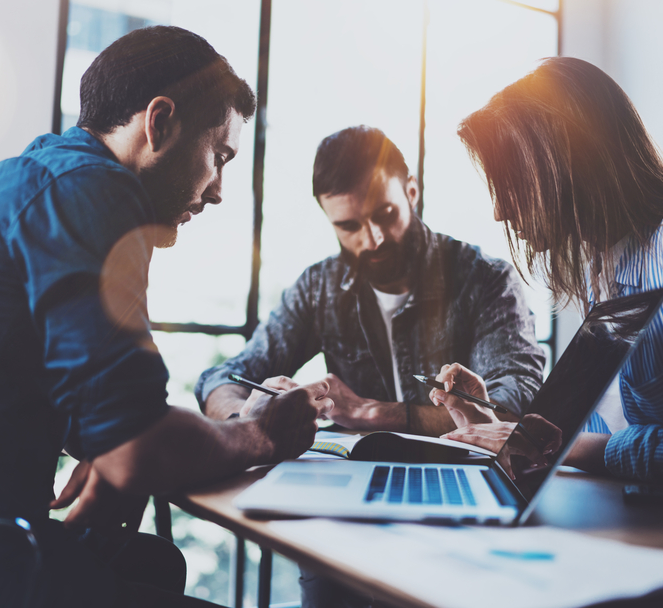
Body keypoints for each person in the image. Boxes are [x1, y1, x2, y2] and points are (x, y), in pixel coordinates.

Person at [0, 25, 333, 608]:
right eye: (219, 156)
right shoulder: (94, 193)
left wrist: (119, 444)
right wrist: (259, 435)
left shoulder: (45, 173)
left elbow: (103, 426)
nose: (218, 190)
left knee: (156, 561)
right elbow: (134, 447)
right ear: (160, 123)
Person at [195, 125, 545, 608]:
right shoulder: (318, 287)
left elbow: (512, 407)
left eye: (385, 215)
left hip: (458, 509)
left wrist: (382, 415)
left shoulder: (483, 278)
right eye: (349, 227)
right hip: (343, 518)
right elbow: (224, 378)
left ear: (412, 192)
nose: (373, 238)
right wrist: (249, 423)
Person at [433, 56, 663, 483]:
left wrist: (561, 447)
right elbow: (605, 433)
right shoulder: (600, 266)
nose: (500, 210)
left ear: (567, 162)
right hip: (632, 519)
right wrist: (493, 424)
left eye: (511, 184)